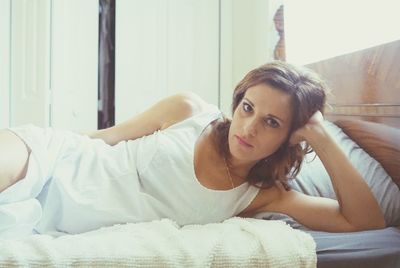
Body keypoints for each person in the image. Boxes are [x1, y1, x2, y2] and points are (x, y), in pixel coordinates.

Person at [0, 61, 385, 237]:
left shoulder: (262, 196)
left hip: (57, 217)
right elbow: (101, 139)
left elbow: (364, 221)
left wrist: (321, 135)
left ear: (291, 137)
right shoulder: (187, 110)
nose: (248, 128)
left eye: (272, 123)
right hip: (49, 158)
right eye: (247, 108)